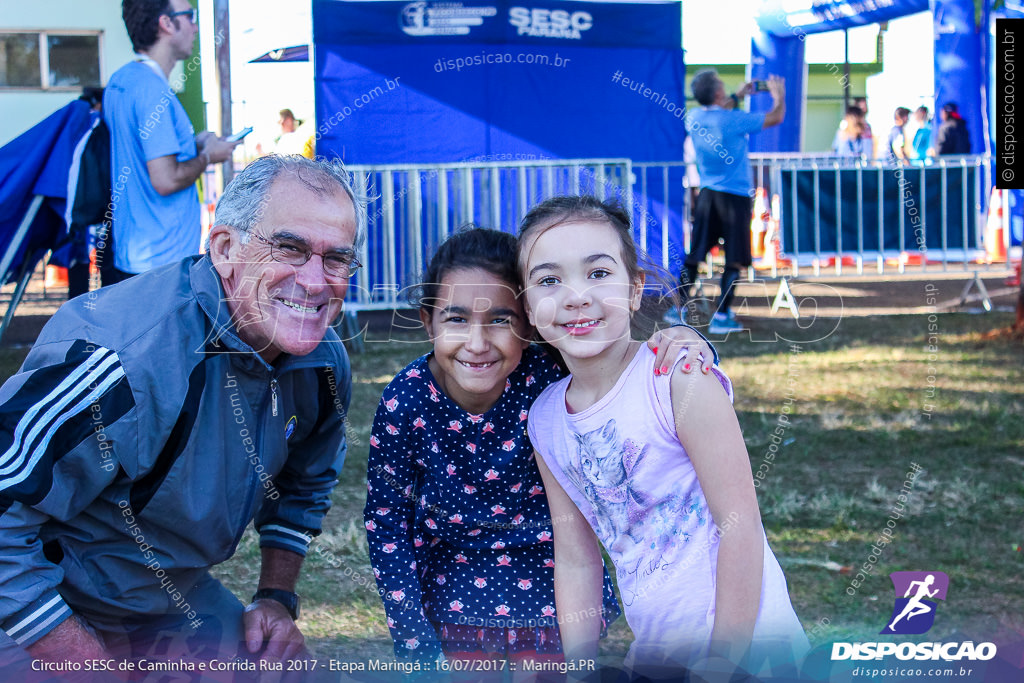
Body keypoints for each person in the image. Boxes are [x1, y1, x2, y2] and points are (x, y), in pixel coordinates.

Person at [0, 154, 363, 673]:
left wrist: (276, 599)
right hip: (37, 599)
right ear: (225, 248)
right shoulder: (125, 356)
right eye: (289, 247)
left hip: (163, 597)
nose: (314, 281)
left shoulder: (322, 362)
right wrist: (81, 662)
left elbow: (304, 484)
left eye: (336, 259)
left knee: (284, 670)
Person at [364, 228, 718, 669]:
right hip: (452, 597)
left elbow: (620, 362)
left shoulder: (549, 376)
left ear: (529, 324)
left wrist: (688, 341)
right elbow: (386, 520)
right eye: (456, 319)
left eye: (500, 320)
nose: (477, 344)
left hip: (552, 587)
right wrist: (411, 634)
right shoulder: (406, 399)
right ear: (427, 320)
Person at [518, 196, 809, 680]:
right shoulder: (546, 419)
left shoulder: (676, 378)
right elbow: (575, 558)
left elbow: (740, 526)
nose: (575, 296)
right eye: (549, 280)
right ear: (528, 306)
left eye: (597, 273)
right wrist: (580, 667)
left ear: (634, 290)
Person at [103, 0, 239, 285]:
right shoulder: (153, 90)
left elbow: (139, 153)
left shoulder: (122, 81)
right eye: (189, 16)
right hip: (162, 265)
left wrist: (193, 144)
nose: (195, 26)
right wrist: (207, 156)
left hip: (133, 257)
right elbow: (165, 179)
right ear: (166, 23)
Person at [674, 69, 785, 335]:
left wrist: (738, 94)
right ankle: (722, 316)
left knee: (696, 253)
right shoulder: (733, 120)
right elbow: (776, 117)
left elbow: (717, 112)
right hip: (734, 196)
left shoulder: (694, 117)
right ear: (718, 93)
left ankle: (676, 310)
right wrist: (779, 95)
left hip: (709, 194)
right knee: (734, 258)